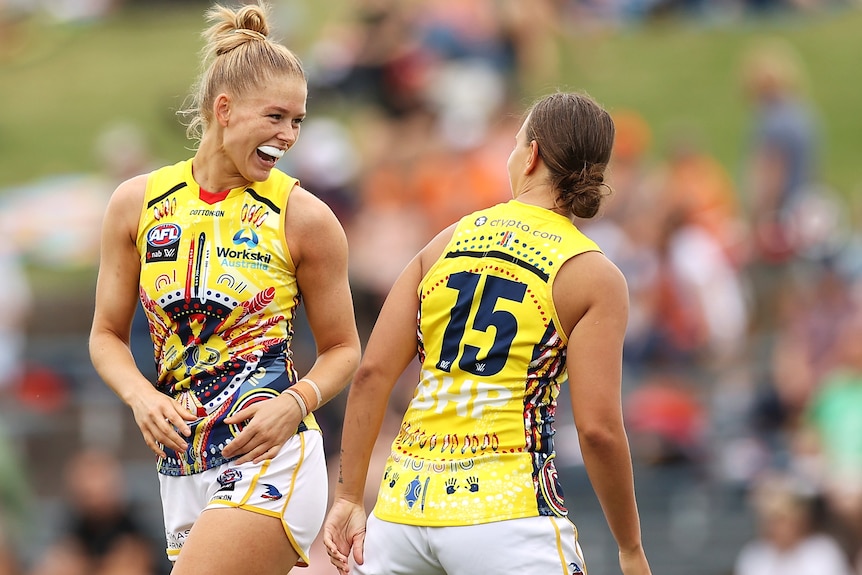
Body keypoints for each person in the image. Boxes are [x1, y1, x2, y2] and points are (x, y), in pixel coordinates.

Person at [323, 91, 652, 575]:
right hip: (507, 514)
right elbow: (598, 430)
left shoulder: (445, 242)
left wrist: (350, 496)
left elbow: (372, 373)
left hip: (402, 511)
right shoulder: (593, 275)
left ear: (532, 154)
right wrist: (629, 547)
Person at [88, 2, 361, 575]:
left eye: (299, 122)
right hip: (182, 466)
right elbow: (106, 336)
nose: (288, 136)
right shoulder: (137, 204)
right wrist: (142, 396)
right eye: (277, 117)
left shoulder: (304, 217)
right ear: (224, 109)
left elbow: (344, 350)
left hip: (271, 457)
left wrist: (295, 403)